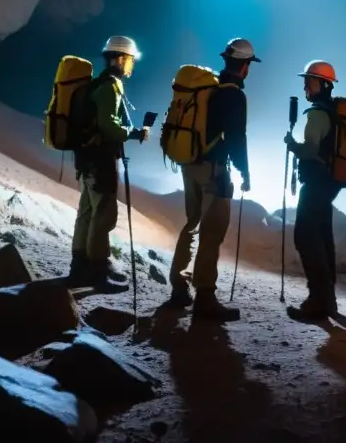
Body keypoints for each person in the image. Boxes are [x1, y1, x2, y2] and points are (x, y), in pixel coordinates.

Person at [168, 37, 258, 321]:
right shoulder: (233, 95)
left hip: (189, 164)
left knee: (192, 224)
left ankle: (179, 288)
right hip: (214, 169)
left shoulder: (208, 88)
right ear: (245, 66)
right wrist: (244, 171)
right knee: (212, 232)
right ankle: (205, 296)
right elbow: (236, 138)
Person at [69, 35, 149, 289]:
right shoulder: (110, 87)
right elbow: (108, 126)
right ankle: (97, 272)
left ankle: (79, 267)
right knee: (103, 215)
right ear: (121, 58)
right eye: (130, 60)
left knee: (87, 212)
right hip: (101, 160)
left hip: (87, 159)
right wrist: (134, 133)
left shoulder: (98, 84)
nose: (131, 66)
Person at [284, 60, 344, 321]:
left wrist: (292, 145)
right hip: (329, 182)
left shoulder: (317, 114)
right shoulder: (333, 112)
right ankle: (327, 298)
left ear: (324, 84)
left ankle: (319, 300)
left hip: (316, 182)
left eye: (310, 80)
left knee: (306, 236)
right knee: (322, 236)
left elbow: (310, 150)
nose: (305, 85)